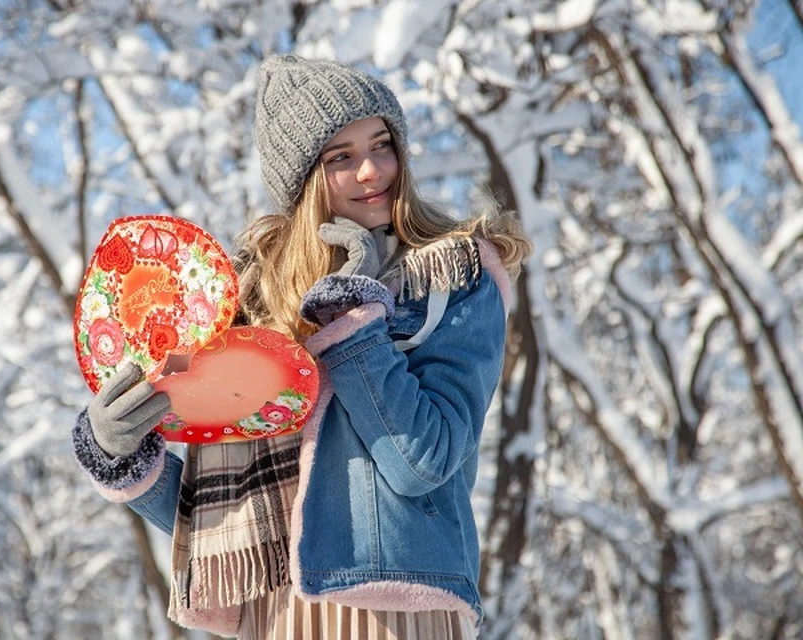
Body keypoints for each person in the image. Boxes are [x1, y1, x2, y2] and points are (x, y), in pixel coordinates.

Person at [72, 54, 532, 639]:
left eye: (381, 144)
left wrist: (354, 318)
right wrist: (122, 453)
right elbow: (219, 514)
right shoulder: (247, 303)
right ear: (304, 181)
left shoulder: (450, 277)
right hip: (278, 613)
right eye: (341, 157)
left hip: (398, 611)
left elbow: (424, 461)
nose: (371, 170)